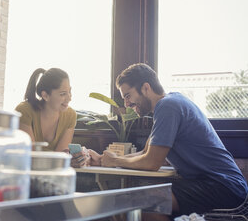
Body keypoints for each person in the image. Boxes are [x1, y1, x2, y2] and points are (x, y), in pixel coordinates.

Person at [76, 63, 248, 220]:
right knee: (136, 200)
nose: (127, 104)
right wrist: (105, 161)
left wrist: (114, 161)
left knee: (140, 204)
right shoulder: (169, 104)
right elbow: (145, 153)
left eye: (128, 96)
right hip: (211, 183)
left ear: (145, 87)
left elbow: (151, 162)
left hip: (224, 186)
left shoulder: (168, 107)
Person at [15, 68, 76, 152]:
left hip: (55, 164)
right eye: (63, 94)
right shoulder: (24, 111)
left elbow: (61, 155)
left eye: (69, 92)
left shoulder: (70, 116)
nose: (69, 98)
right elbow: (30, 155)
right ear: (45, 95)